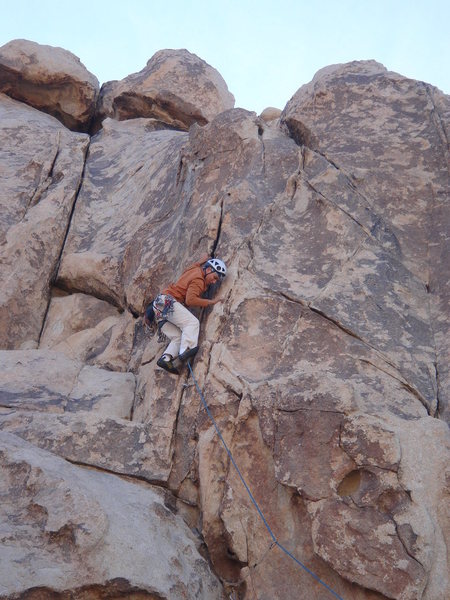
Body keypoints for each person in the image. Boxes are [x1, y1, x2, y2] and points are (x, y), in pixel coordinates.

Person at [150, 254, 226, 374]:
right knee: (192, 322)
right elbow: (190, 300)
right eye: (215, 277)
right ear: (209, 269)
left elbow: (191, 267)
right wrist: (211, 302)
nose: (214, 281)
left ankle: (166, 358)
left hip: (159, 306)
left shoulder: (194, 270)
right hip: (167, 302)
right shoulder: (199, 280)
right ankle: (186, 349)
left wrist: (201, 261)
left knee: (178, 337)